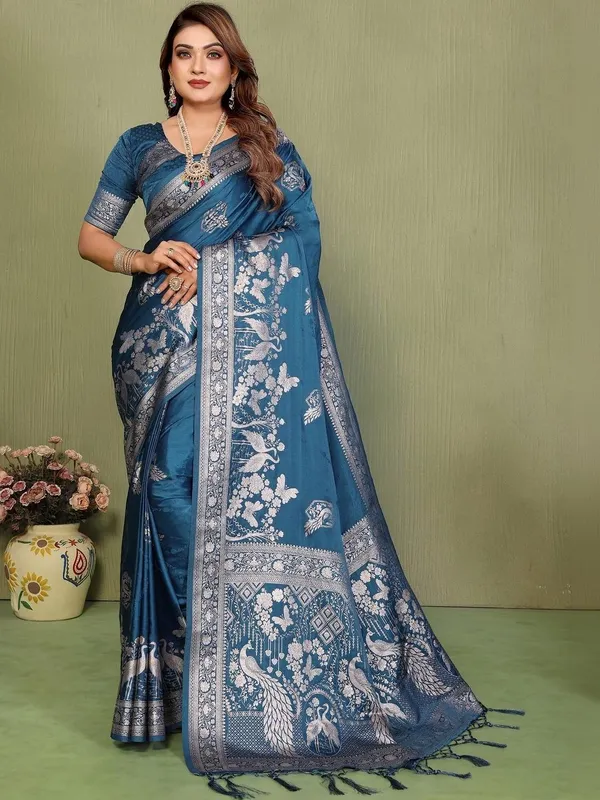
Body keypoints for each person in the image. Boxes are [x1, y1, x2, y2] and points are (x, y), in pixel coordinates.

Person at [78, 3, 524, 796]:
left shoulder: (264, 146)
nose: (198, 66)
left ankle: (235, 681)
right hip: (157, 348)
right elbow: (92, 237)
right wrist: (143, 262)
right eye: (184, 53)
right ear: (168, 67)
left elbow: (300, 241)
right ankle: (185, 681)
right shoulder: (137, 146)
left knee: (205, 495)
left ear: (234, 67)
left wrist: (218, 276)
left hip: (245, 355)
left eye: (213, 54)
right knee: (164, 495)